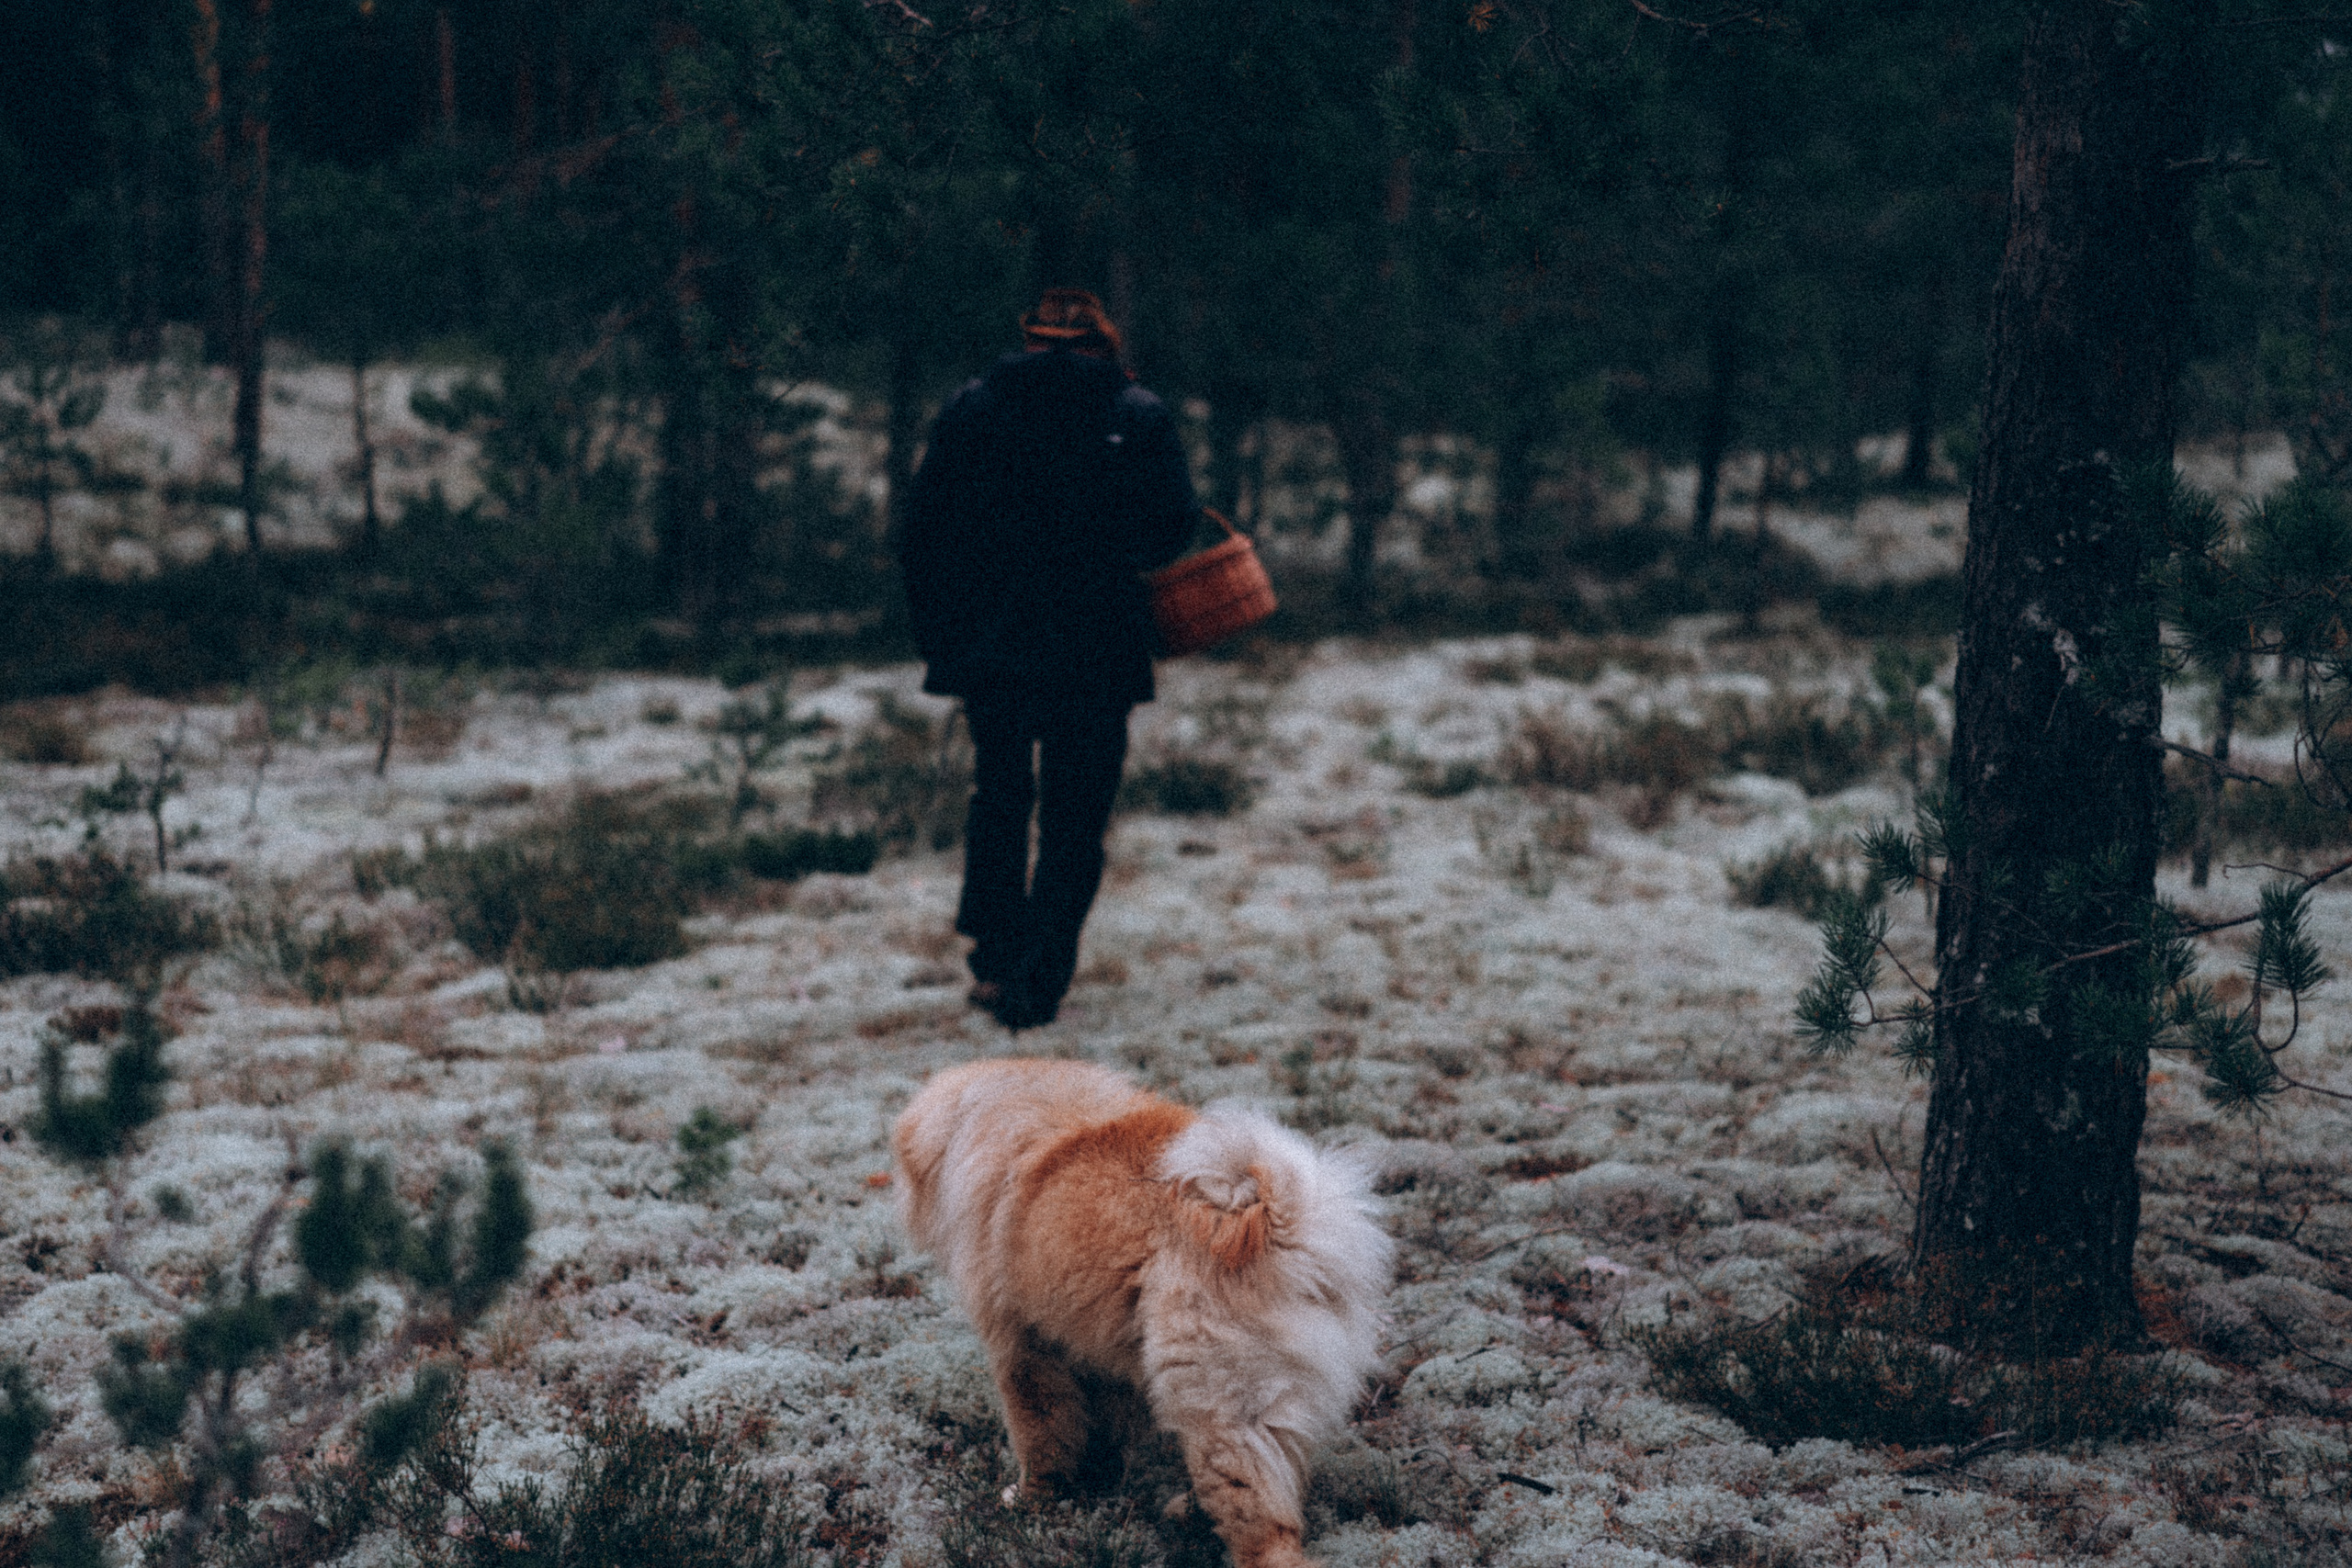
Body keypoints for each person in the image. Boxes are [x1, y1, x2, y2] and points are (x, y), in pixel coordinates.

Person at [901, 288, 1198, 1030]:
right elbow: (1172, 530)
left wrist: (942, 636)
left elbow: (923, 527)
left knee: (999, 797)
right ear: (1105, 340)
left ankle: (996, 958)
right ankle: (1041, 977)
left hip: (994, 646)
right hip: (1096, 650)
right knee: (1074, 817)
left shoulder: (972, 408)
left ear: (1027, 339)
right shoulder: (1136, 415)